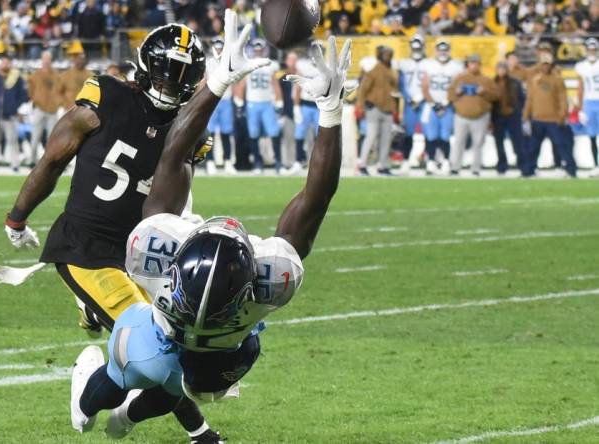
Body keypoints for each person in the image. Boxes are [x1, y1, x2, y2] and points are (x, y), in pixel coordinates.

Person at [69, 25, 352, 441]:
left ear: (173, 270)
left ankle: (86, 408)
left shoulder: (153, 254)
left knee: (118, 376)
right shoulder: (270, 280)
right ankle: (126, 419)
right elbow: (317, 196)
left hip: (154, 342)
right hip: (219, 361)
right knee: (179, 387)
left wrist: (218, 82)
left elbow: (173, 155)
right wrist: (330, 111)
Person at [0, 23, 223, 443]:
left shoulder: (186, 131)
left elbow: (174, 202)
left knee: (173, 343)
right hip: (83, 248)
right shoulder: (105, 96)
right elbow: (52, 160)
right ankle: (198, 433)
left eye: (179, 76)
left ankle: (126, 405)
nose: (170, 85)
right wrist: (18, 217)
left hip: (137, 254)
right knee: (156, 348)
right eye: (163, 73)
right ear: (143, 67)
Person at [522, 53, 576, 178]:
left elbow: (563, 99)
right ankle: (529, 170)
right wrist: (525, 116)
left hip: (553, 119)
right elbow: (530, 99)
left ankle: (571, 169)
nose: (545, 67)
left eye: (547, 64)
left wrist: (562, 116)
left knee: (562, 146)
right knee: (533, 147)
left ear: (551, 65)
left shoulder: (557, 80)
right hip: (537, 119)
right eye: (543, 64)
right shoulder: (535, 80)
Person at [236, 38, 283, 174]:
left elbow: (275, 84)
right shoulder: (248, 64)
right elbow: (242, 84)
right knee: (253, 133)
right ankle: (257, 162)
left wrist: (279, 103)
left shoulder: (271, 64)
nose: (258, 52)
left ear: (264, 50)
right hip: (252, 103)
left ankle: (278, 162)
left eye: (260, 49)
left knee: (274, 132)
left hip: (267, 102)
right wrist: (239, 102)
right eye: (256, 49)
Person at [447, 54, 498, 176]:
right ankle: (455, 166)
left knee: (478, 143)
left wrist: (484, 92)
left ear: (480, 65)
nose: (474, 65)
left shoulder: (486, 80)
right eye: (472, 63)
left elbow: (496, 96)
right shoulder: (459, 79)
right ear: (468, 65)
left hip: (480, 116)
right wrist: (457, 92)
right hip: (461, 115)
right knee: (458, 142)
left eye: (476, 63)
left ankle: (476, 168)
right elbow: (450, 96)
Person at [421, 40, 464, 175]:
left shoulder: (456, 66)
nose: (443, 53)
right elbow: (425, 87)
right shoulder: (429, 65)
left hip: (448, 106)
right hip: (431, 106)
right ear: (436, 51)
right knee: (431, 136)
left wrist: (446, 102)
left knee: (445, 136)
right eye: (440, 50)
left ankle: (445, 161)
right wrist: (433, 103)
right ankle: (431, 162)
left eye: (445, 50)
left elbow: (458, 87)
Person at [356, 45, 397, 176]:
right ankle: (362, 164)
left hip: (388, 109)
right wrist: (360, 105)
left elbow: (395, 89)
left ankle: (382, 165)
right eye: (386, 55)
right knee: (371, 136)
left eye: (389, 55)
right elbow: (363, 89)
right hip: (373, 107)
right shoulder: (374, 70)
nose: (388, 57)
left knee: (386, 138)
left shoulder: (391, 71)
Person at [0, 57, 28, 173]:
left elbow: (24, 95)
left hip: (10, 115)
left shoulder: (17, 78)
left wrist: (14, 106)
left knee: (12, 141)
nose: (4, 66)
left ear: (10, 65)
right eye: (3, 63)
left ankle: (15, 164)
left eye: (7, 63)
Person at [204, 37, 236, 175]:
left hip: (226, 99)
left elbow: (236, 80)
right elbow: (204, 82)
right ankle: (210, 162)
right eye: (216, 47)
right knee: (209, 133)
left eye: (220, 47)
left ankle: (228, 161)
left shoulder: (229, 62)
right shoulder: (208, 63)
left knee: (226, 133)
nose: (218, 50)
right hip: (212, 100)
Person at [398, 35, 428, 174]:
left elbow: (430, 83)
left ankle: (429, 160)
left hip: (424, 102)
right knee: (408, 133)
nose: (416, 49)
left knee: (428, 133)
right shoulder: (404, 63)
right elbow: (402, 84)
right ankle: (405, 161)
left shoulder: (429, 63)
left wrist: (421, 97)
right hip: (410, 103)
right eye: (414, 47)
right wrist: (409, 98)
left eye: (418, 47)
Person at [491, 60, 524, 175]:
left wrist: (518, 111)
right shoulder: (492, 82)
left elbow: (521, 98)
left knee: (517, 142)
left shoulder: (515, 82)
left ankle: (522, 164)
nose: (501, 71)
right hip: (497, 116)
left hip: (513, 116)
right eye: (499, 68)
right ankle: (502, 165)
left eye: (503, 68)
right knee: (499, 143)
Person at [27, 51, 58, 168]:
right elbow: (30, 89)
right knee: (35, 136)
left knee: (52, 139)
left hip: (53, 110)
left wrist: (57, 102)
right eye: (44, 58)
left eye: (48, 58)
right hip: (39, 109)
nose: (46, 61)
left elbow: (60, 90)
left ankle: (50, 162)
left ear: (51, 60)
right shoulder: (35, 75)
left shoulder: (56, 75)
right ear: (42, 60)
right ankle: (31, 160)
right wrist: (35, 100)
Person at [575, 37, 599, 176]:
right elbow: (580, 87)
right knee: (592, 135)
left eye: (594, 49)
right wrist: (580, 107)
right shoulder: (581, 66)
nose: (592, 52)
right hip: (589, 102)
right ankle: (596, 165)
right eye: (590, 49)